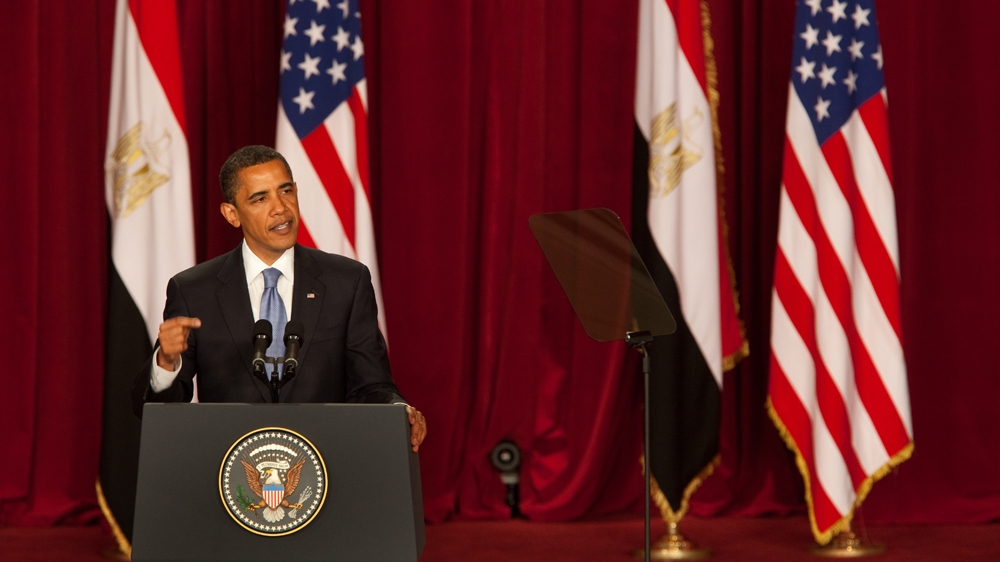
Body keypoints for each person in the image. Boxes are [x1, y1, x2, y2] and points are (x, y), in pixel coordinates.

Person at [131, 145, 426, 451]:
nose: (280, 208)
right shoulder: (194, 291)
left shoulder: (346, 282)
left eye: (285, 191)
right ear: (232, 214)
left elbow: (372, 386)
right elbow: (156, 412)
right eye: (260, 199)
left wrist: (397, 411)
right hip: (230, 471)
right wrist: (166, 363)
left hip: (326, 464)